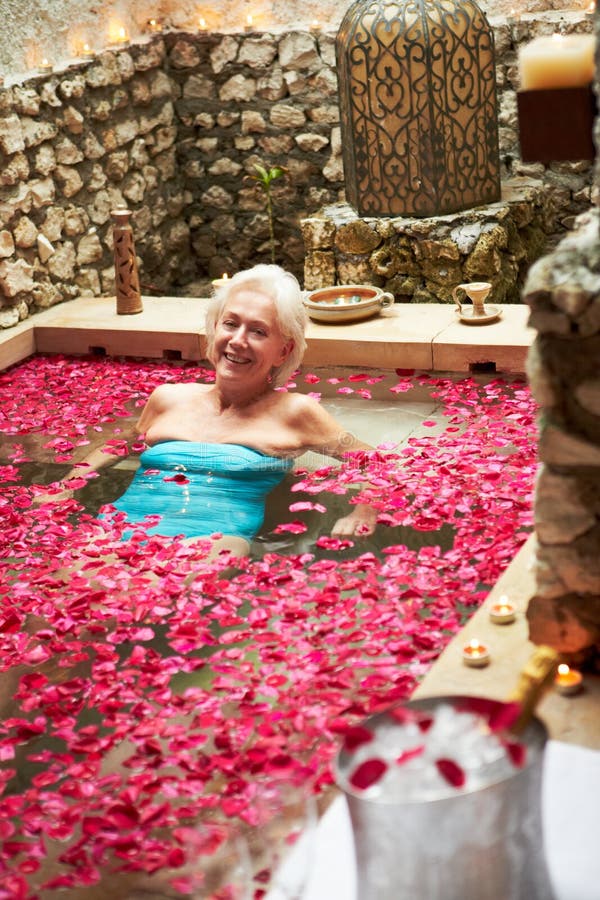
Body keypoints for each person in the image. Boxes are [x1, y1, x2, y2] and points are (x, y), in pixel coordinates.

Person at [43, 264, 378, 558]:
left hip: (213, 542)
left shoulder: (294, 412)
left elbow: (375, 463)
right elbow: (120, 444)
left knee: (130, 606)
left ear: (283, 350)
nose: (237, 340)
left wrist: (363, 512)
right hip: (116, 530)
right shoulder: (169, 399)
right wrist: (65, 486)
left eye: (258, 331)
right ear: (214, 328)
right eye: (230, 324)